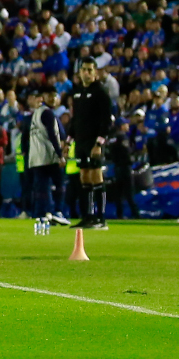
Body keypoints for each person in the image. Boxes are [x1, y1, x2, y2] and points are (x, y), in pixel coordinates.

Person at [69, 57, 115, 230]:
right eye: (84, 70)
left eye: (90, 70)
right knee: (84, 177)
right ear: (79, 72)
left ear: (95, 72)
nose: (86, 73)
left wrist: (99, 143)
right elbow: (75, 119)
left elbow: (106, 120)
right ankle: (88, 216)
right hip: (81, 141)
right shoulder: (77, 93)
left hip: (93, 142)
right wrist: (68, 141)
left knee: (96, 176)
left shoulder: (101, 92)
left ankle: (101, 219)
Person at [23, 88, 68, 229]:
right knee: (60, 183)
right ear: (43, 97)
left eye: (55, 96)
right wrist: (60, 155)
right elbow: (52, 135)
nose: (53, 99)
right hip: (48, 156)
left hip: (36, 158)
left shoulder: (35, 114)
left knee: (41, 187)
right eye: (50, 95)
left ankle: (41, 215)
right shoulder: (48, 113)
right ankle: (57, 211)